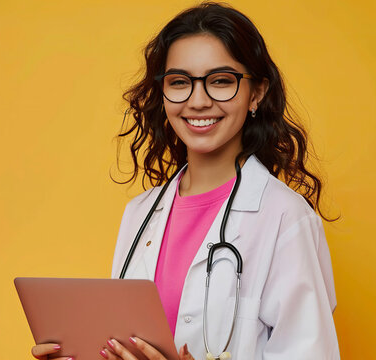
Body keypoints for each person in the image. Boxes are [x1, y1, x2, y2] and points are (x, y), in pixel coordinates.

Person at [31, 2, 338, 359]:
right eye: (179, 82)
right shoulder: (140, 213)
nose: (198, 100)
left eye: (221, 81)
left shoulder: (285, 217)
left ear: (257, 93)